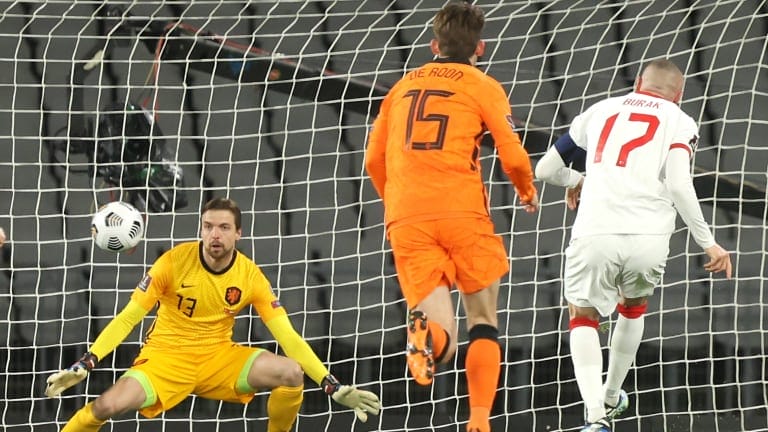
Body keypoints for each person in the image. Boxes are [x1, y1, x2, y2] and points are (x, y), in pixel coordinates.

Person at [45, 197, 380, 432]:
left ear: (238, 233)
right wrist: (86, 363)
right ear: (200, 229)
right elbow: (128, 317)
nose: (214, 235)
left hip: (218, 359)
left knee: (292, 372)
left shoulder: (250, 277)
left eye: (223, 227)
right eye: (207, 226)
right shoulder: (173, 262)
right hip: (165, 360)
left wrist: (330, 384)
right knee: (105, 407)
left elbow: (287, 336)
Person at [364, 3, 539, 432]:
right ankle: (478, 420)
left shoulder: (401, 88)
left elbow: (372, 160)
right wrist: (526, 190)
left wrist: (399, 205)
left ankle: (428, 337)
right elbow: (513, 154)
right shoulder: (483, 84)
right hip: (462, 212)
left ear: (433, 45)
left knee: (443, 340)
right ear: (479, 47)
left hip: (407, 218)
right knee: (482, 318)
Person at [535, 58, 732, 432]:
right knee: (633, 308)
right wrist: (709, 243)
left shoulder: (600, 110)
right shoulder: (680, 121)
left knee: (582, 316)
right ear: (680, 94)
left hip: (596, 231)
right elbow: (677, 184)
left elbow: (545, 170)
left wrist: (579, 179)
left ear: (639, 81)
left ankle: (595, 416)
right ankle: (611, 396)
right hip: (648, 236)